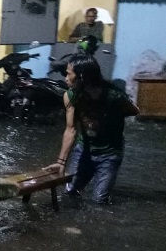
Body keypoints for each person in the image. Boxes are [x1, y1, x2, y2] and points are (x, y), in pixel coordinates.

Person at [46, 55, 139, 206]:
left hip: (110, 154)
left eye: (69, 73)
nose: (66, 78)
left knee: (99, 202)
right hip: (84, 151)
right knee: (69, 193)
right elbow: (70, 130)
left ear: (81, 76)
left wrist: (111, 118)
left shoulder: (113, 96)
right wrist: (61, 162)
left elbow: (134, 110)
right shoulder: (71, 96)